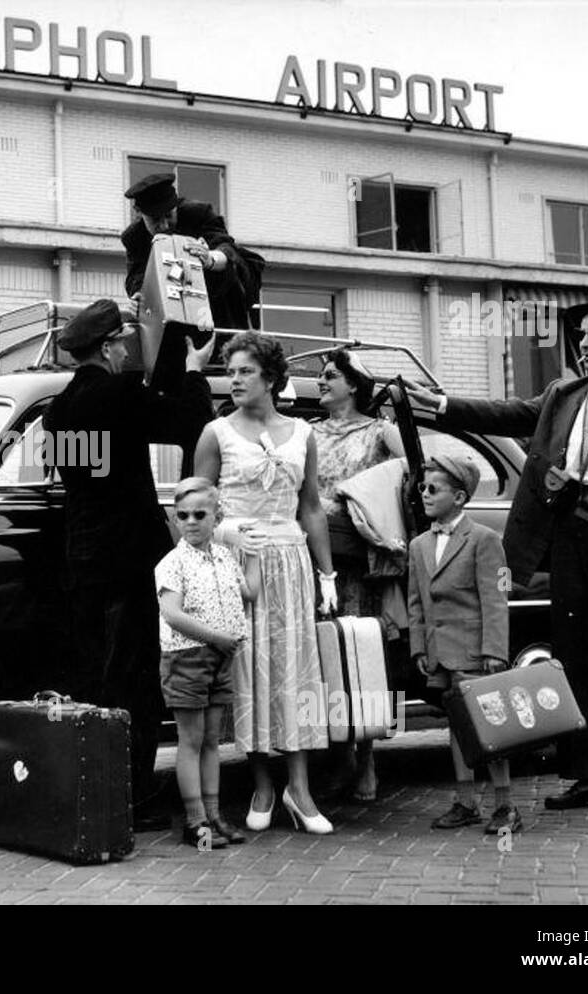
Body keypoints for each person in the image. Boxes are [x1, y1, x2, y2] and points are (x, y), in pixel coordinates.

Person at [405, 290, 588, 816]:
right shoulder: (564, 395)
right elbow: (509, 413)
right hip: (570, 532)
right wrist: (444, 406)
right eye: (580, 335)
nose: (583, 344)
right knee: (576, 658)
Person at [42, 298, 215, 832]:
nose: (126, 349)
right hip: (132, 557)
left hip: (84, 556)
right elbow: (190, 425)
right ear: (109, 347)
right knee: (137, 678)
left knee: (94, 675)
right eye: (122, 342)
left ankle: (93, 788)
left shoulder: (58, 411)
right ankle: (133, 797)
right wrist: (191, 372)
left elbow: (85, 478)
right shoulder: (119, 394)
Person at [195, 331, 338, 835]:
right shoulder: (216, 433)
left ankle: (300, 790)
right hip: (241, 566)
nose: (233, 380)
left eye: (244, 371)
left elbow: (312, 507)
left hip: (293, 562)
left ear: (271, 378)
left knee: (294, 671)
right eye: (230, 371)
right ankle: (262, 785)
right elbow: (198, 508)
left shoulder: (303, 433)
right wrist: (230, 535)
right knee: (250, 672)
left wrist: (327, 575)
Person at [408, 454, 519, 834]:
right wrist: (420, 647)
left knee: (491, 726)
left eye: (432, 488)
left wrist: (495, 651)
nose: (424, 494)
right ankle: (466, 801)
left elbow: (497, 597)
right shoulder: (419, 545)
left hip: (475, 652)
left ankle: (505, 806)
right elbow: (416, 602)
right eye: (422, 487)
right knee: (456, 726)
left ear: (458, 497)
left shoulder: (486, 540)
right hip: (441, 654)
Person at [312, 349, 405, 802]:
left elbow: (413, 466)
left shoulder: (377, 431)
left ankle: (366, 757)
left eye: (330, 375)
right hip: (314, 558)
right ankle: (337, 756)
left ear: (354, 385)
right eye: (321, 375)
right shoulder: (307, 433)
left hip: (358, 560)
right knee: (324, 657)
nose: (321, 381)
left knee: (361, 658)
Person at [156, 477, 259, 848]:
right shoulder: (173, 563)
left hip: (219, 657)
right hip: (187, 657)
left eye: (201, 514)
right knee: (191, 739)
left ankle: (214, 815)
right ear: (175, 519)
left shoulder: (224, 557)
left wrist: (254, 551)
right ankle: (194, 821)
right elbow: (172, 613)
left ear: (217, 516)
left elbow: (249, 593)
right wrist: (217, 638)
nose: (192, 521)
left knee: (213, 739)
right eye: (183, 515)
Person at [121, 173, 259, 332]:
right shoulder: (134, 237)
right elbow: (136, 277)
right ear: (139, 213)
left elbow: (226, 247)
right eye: (155, 220)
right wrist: (139, 296)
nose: (165, 225)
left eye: (169, 215)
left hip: (218, 298)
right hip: (173, 308)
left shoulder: (199, 213)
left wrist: (210, 258)